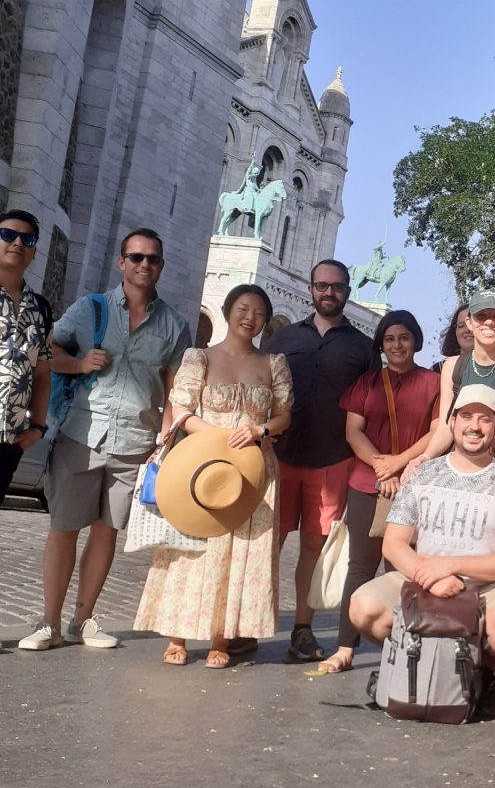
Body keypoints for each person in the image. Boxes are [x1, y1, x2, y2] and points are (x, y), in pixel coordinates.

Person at [19, 229, 190, 652]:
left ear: (161, 267)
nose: (143, 265)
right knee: (63, 528)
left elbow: (174, 391)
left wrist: (165, 442)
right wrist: (78, 363)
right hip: (82, 434)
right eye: (136, 257)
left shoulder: (175, 326)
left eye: (152, 259)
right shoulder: (90, 309)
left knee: (106, 531)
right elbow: (45, 354)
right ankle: (49, 622)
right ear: (121, 262)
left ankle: (83, 619)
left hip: (135, 443)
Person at [348, 384, 495, 714]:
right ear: (452, 423)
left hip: (485, 588)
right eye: (465, 417)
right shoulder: (422, 474)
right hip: (423, 580)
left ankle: (482, 672)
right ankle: (408, 658)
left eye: (485, 419)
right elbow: (394, 543)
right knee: (362, 607)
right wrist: (430, 576)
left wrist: (448, 565)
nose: (474, 426)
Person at [133, 285, 293, 667]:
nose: (249, 317)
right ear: (227, 311)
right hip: (201, 462)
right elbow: (182, 411)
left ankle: (223, 638)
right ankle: (177, 635)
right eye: (242, 308)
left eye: (258, 312)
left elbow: (285, 415)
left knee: (241, 551)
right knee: (191, 545)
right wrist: (220, 440)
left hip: (254, 468)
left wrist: (260, 431)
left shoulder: (274, 363)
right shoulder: (198, 357)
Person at [262, 259, 379, 662]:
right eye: (321, 286)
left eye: (337, 287)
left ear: (347, 291)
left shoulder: (364, 349)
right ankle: (248, 624)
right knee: (266, 545)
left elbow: (371, 410)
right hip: (279, 457)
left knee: (313, 548)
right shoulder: (282, 338)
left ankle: (302, 628)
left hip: (331, 462)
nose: (328, 293)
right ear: (311, 288)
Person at [315, 311, 441, 673]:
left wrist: (397, 464)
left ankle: (403, 646)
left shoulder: (433, 383)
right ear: (381, 344)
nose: (397, 345)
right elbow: (354, 430)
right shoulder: (367, 383)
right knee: (360, 566)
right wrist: (379, 466)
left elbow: (436, 432)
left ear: (415, 340)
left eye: (403, 338)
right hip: (365, 484)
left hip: (414, 484)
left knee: (403, 568)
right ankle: (344, 647)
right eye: (389, 339)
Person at [410, 290, 495, 491]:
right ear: (469, 323)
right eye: (481, 316)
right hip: (459, 474)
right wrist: (426, 457)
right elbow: (446, 427)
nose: (489, 322)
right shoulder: (453, 367)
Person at [0, 209, 51, 503]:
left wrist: (38, 428)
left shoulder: (41, 308)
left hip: (9, 443)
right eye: (8, 235)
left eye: (27, 239)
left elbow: (42, 374)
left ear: (33, 251)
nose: (17, 243)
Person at [432, 303, 473, 373]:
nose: (467, 330)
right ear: (454, 331)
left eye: (471, 324)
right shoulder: (438, 370)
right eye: (461, 326)